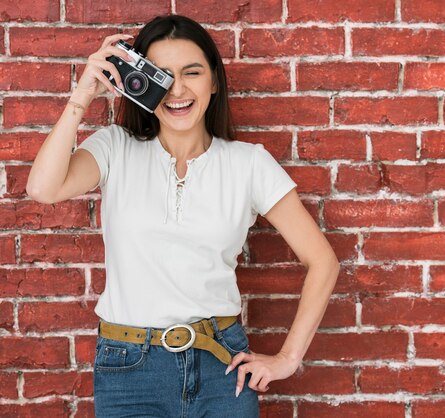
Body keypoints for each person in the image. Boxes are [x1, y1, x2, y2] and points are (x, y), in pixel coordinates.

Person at [26, 14, 339, 417]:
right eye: (162, 75)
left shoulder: (249, 164)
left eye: (192, 72)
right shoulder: (115, 148)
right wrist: (83, 94)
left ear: (214, 81)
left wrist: (288, 357)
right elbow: (42, 188)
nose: (177, 89)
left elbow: (323, 261)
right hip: (129, 371)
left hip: (222, 366)